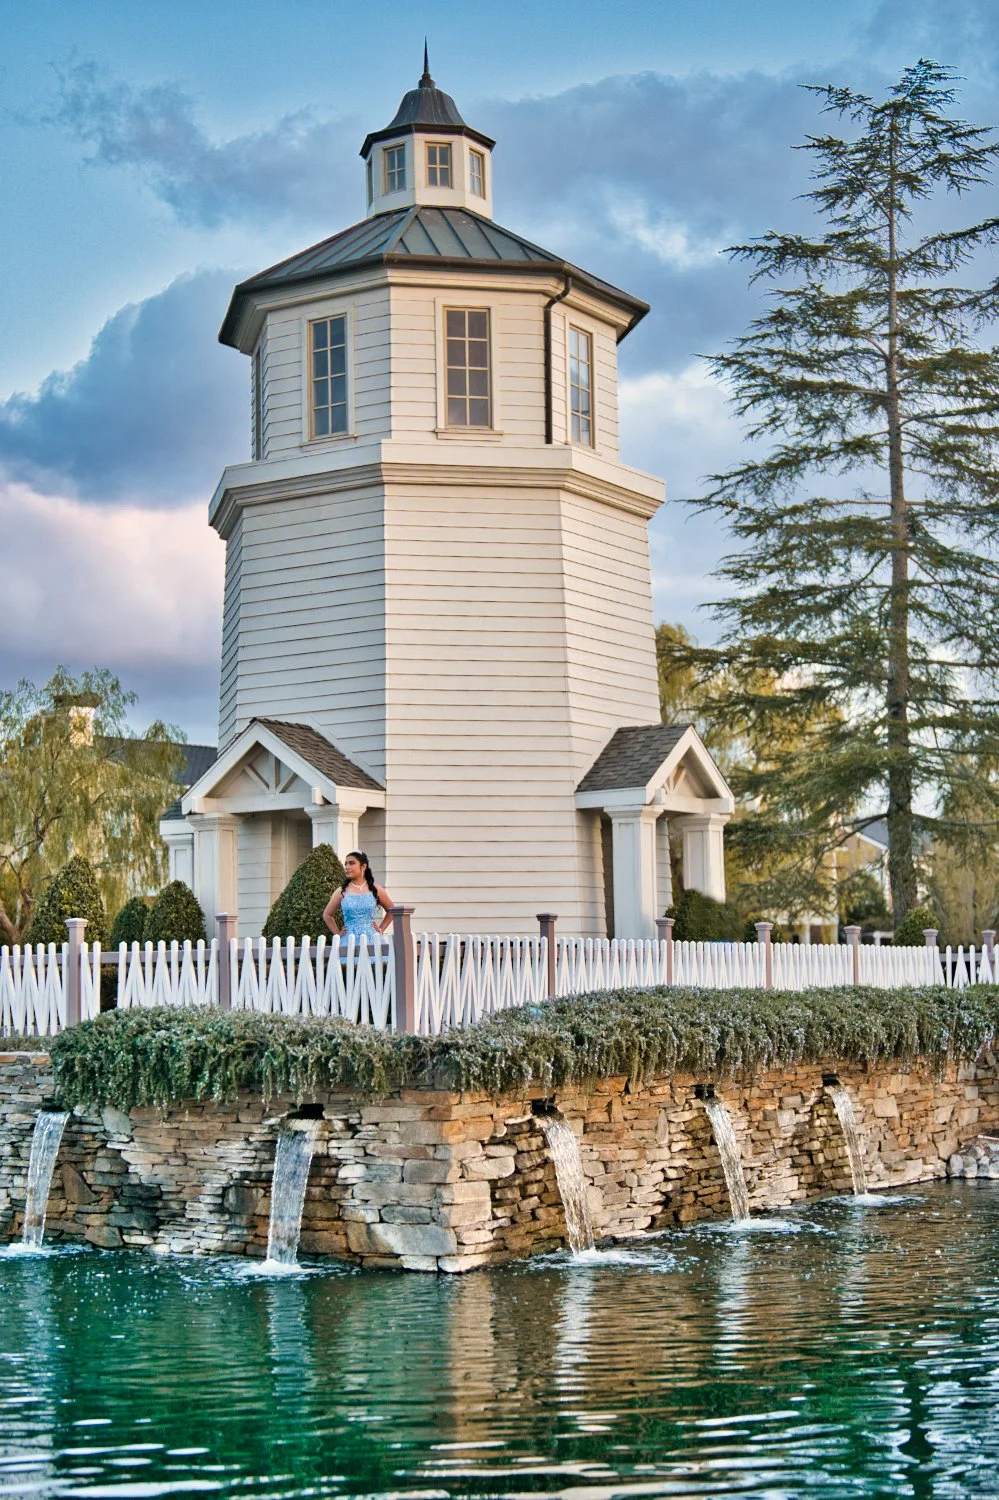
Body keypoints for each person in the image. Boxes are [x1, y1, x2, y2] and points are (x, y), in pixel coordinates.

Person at [322, 851, 395, 947]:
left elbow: (392, 911)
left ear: (363, 867)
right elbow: (327, 915)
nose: (347, 867)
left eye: (351, 863)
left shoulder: (375, 889)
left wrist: (381, 929)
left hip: (372, 939)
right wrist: (338, 933)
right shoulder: (341, 891)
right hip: (349, 940)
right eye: (346, 864)